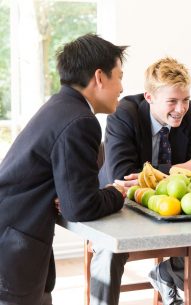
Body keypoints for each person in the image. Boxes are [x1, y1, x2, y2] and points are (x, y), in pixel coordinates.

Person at [92, 56, 191, 305]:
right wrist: (182, 169)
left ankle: (169, 274)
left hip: (170, 208)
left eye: (185, 100)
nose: (180, 109)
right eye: (172, 101)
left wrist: (153, 174)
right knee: (108, 251)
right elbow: (123, 175)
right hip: (121, 205)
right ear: (149, 97)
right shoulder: (123, 113)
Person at [0, 34, 126, 305]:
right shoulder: (80, 120)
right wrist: (118, 192)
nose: (122, 87)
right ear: (99, 77)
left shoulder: (61, 107)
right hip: (11, 249)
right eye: (119, 76)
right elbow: (80, 207)